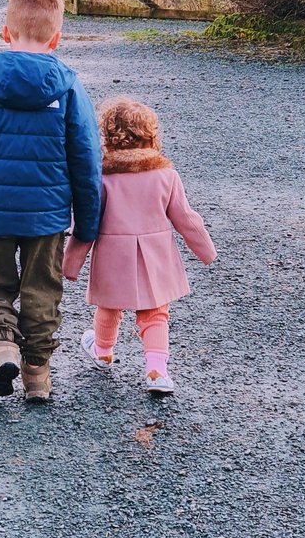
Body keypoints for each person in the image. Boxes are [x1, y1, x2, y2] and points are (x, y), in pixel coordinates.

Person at [0, 0, 101, 402]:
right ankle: (36, 374)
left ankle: (2, 344)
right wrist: (87, 225)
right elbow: (86, 159)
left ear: (5, 33)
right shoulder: (67, 89)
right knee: (41, 290)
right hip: (45, 216)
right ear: (56, 39)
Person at [63, 97, 216, 394]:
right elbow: (186, 219)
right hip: (155, 257)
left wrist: (70, 265)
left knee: (109, 306)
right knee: (155, 312)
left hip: (112, 255)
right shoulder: (166, 176)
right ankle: (157, 371)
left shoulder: (102, 180)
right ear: (150, 136)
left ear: (106, 138)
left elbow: (86, 225)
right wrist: (206, 251)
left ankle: (103, 351)